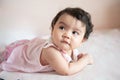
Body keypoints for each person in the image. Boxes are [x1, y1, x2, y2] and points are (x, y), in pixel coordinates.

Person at [0, 7, 94, 75]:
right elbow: (67, 70)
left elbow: (69, 60)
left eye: (75, 32)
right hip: (19, 55)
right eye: (62, 28)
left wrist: (78, 59)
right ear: (53, 29)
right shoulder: (50, 51)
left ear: (83, 40)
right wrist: (85, 60)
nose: (67, 35)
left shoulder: (71, 49)